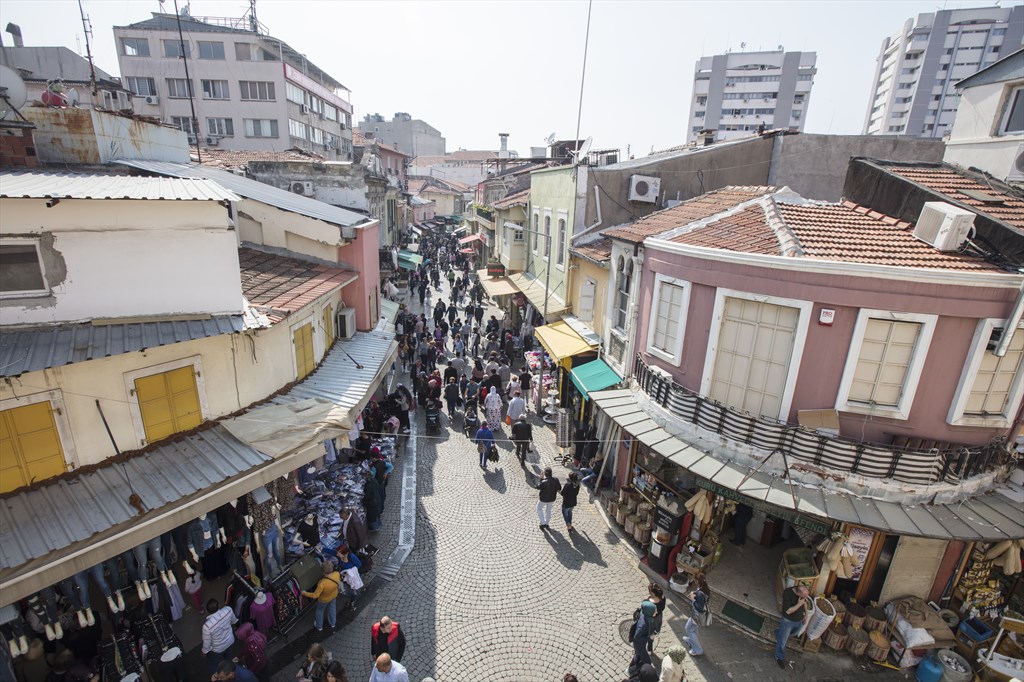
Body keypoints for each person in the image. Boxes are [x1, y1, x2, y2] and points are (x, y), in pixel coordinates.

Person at [775, 584, 811, 669]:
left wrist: (806, 615)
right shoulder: (787, 593)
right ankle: (779, 657)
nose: (807, 596)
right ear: (798, 594)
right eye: (805, 595)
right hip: (788, 621)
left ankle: (778, 633)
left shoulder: (802, 594)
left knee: (794, 633)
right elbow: (788, 611)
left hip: (799, 620)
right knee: (782, 642)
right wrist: (799, 604)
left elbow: (804, 602)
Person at [301, 561, 341, 632]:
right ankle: (332, 623)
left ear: (323, 572)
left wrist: (305, 593)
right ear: (332, 569)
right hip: (334, 595)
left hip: (324, 600)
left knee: (320, 610)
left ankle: (319, 626)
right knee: (332, 608)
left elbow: (315, 595)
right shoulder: (337, 574)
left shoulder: (322, 583)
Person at [202, 599, 238, 674]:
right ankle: (232, 671)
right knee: (230, 657)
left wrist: (204, 651)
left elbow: (207, 643)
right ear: (218, 605)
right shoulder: (228, 610)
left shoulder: (207, 626)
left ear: (207, 611)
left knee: (214, 663)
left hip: (218, 649)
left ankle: (216, 676)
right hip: (230, 641)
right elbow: (234, 621)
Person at [682, 572, 710, 656]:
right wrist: (694, 593)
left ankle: (698, 649)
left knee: (688, 629)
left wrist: (692, 599)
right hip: (700, 616)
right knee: (693, 629)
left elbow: (699, 607)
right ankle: (691, 640)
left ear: (697, 581)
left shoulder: (701, 593)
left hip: (697, 615)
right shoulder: (705, 589)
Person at [629, 600, 655, 675]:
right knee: (646, 660)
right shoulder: (643, 625)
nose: (656, 612)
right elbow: (637, 637)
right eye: (654, 611)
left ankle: (632, 666)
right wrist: (649, 637)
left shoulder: (644, 614)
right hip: (639, 645)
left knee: (637, 655)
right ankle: (634, 670)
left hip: (639, 644)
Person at [646, 583, 665, 653]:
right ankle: (650, 648)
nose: (649, 592)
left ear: (653, 593)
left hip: (651, 620)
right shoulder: (662, 597)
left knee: (649, 634)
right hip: (659, 618)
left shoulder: (650, 602)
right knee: (653, 633)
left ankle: (649, 648)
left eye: (650, 591)